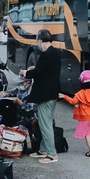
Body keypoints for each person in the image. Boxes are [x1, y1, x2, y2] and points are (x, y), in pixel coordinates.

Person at [19, 29, 61, 164]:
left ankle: (52, 154)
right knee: (46, 121)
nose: (38, 43)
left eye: (38, 40)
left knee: (45, 124)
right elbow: (45, 71)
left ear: (41, 40)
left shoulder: (45, 54)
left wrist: (25, 73)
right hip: (53, 92)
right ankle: (44, 149)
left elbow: (37, 73)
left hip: (44, 94)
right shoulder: (55, 52)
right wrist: (35, 70)